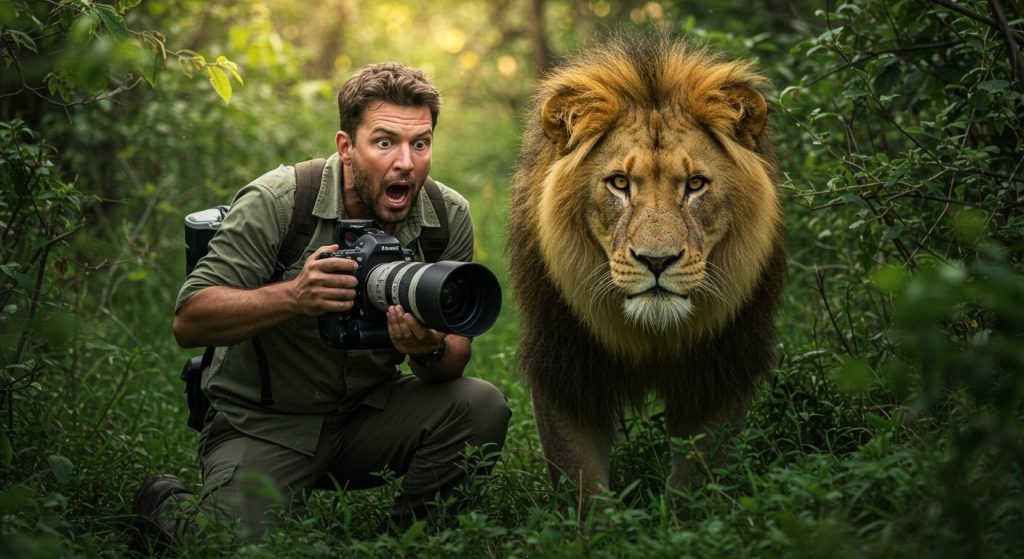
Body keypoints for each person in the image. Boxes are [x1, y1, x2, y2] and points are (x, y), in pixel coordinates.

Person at [132, 62, 511, 546]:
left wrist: (427, 349)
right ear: (346, 148)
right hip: (265, 423)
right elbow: (190, 320)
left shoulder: (445, 215)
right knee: (228, 544)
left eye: (420, 143)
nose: (406, 163)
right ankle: (166, 504)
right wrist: (293, 296)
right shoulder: (280, 201)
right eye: (384, 142)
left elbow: (453, 360)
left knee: (480, 406)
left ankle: (411, 541)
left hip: (370, 412)